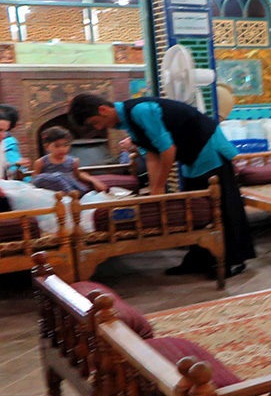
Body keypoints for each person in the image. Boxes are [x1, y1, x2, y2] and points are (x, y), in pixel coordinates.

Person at [68, 92, 256, 279]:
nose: (99, 127)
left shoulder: (140, 111)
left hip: (208, 148)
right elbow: (152, 154)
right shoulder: (128, 121)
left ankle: (235, 260)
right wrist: (154, 189)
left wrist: (159, 185)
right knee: (196, 209)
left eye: (95, 122)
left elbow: (167, 150)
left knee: (223, 206)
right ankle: (199, 260)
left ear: (103, 110)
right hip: (192, 155)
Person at [31, 126, 107, 194]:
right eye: (57, 146)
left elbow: (78, 174)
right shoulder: (41, 162)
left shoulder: (73, 161)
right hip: (51, 193)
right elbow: (36, 180)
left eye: (66, 145)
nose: (62, 149)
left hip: (70, 191)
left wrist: (94, 181)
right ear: (47, 147)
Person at [1, 104, 27, 180]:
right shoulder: (9, 142)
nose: (3, 135)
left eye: (4, 131)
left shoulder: (3, 143)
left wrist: (16, 164)